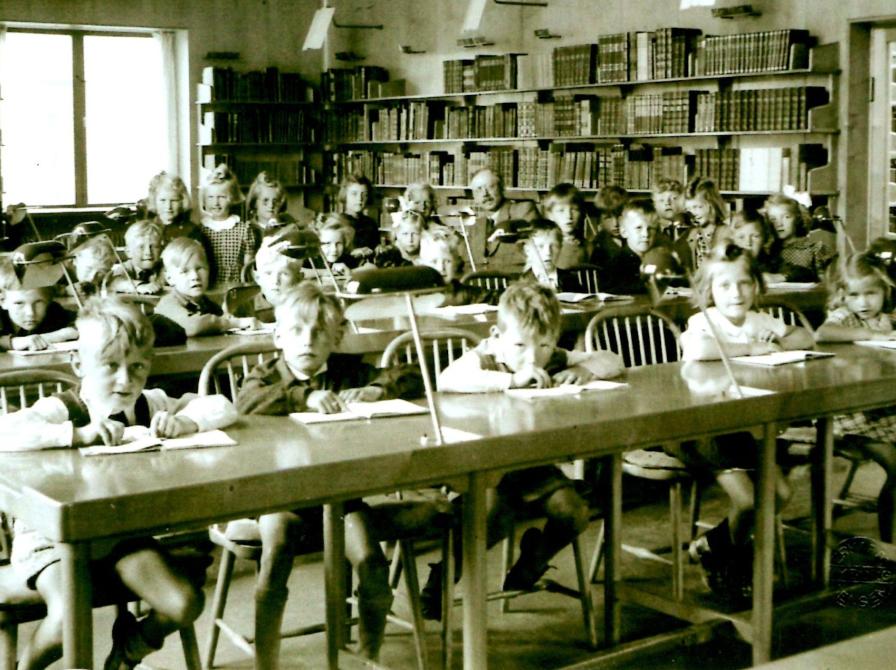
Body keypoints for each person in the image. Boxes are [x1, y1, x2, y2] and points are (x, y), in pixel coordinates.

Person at [0, 296, 237, 669]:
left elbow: (222, 406)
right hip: (51, 540)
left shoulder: (149, 403)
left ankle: (129, 650)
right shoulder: (66, 408)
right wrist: (77, 435)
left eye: (138, 366)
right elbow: (4, 431)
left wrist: (188, 421)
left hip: (120, 534)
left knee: (185, 602)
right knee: (66, 624)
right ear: (79, 364)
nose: (126, 380)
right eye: (110, 366)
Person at [237, 282, 424, 667]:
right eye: (297, 331)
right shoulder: (265, 375)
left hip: (340, 498)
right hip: (280, 497)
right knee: (276, 555)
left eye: (319, 333)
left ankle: (367, 654)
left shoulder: (347, 372)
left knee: (372, 562)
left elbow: (411, 376)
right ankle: (265, 661)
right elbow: (246, 401)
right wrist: (302, 397)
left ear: (335, 337)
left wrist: (374, 388)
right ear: (278, 335)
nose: (307, 341)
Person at [418, 282, 623, 620]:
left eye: (543, 345)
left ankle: (534, 560)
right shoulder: (485, 357)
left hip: (533, 468)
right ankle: (445, 573)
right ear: (497, 335)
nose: (533, 357)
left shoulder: (554, 357)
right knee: (491, 517)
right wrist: (511, 381)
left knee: (574, 511)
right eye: (519, 345)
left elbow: (611, 359)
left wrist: (582, 370)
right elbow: (448, 378)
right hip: (484, 469)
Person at [678, 243, 812, 602]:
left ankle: (715, 544)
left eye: (744, 283)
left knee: (780, 493)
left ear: (757, 286)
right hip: (704, 429)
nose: (736, 293)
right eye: (724, 286)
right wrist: (751, 349)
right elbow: (698, 350)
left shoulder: (760, 321)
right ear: (709, 292)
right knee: (753, 501)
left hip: (748, 425)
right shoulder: (704, 320)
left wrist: (781, 340)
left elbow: (805, 337)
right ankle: (728, 560)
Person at [816, 252, 896, 541]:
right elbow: (823, 333)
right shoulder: (844, 318)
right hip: (850, 418)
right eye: (854, 294)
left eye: (871, 293)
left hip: (883, 411)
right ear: (843, 295)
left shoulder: (887, 319)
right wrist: (873, 336)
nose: (863, 302)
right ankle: (890, 546)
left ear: (884, 291)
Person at [154, 238, 253, 336]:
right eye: (185, 271)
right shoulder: (168, 304)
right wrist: (235, 323)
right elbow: (194, 326)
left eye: (199, 268)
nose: (195, 276)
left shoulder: (209, 305)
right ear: (170, 278)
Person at [0, 251, 78, 352]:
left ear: (49, 300)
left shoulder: (53, 311)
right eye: (19, 303)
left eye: (39, 302)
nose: (30, 313)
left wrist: (52, 337)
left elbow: (82, 323)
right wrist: (14, 342)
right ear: (2, 301)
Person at [601, 199, 681, 295]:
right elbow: (612, 292)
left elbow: (676, 282)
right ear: (624, 232)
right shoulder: (617, 264)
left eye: (651, 228)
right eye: (639, 228)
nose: (646, 234)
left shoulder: (659, 259)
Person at [468, 168, 539, 272]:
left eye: (490, 187)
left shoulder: (523, 211)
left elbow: (538, 250)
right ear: (474, 197)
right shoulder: (475, 224)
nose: (485, 194)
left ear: (502, 188)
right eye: (479, 189)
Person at [200, 164, 256, 286]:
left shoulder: (243, 229)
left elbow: (248, 266)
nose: (215, 202)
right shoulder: (200, 229)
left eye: (221, 197)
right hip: (208, 286)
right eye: (210, 197)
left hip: (236, 285)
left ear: (232, 198)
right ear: (204, 199)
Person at [416, 227, 500, 306]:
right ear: (421, 264)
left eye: (447, 261)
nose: (441, 268)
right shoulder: (414, 297)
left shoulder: (468, 294)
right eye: (433, 262)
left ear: (455, 263)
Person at [764, 193, 834, 282]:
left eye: (786, 217)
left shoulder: (815, 249)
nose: (779, 224)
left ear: (797, 218)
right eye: (773, 219)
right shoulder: (767, 251)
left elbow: (827, 286)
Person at [519, 219, 594, 292]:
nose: (547, 252)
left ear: (560, 247)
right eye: (540, 246)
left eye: (554, 246)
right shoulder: (521, 285)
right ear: (527, 250)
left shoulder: (570, 280)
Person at [674, 177, 729, 273]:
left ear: (712, 204)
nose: (693, 213)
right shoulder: (687, 237)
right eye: (689, 209)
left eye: (697, 207)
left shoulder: (728, 234)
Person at [105, 220, 166, 295]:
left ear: (162, 249)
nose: (148, 252)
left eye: (154, 246)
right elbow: (115, 281)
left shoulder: (165, 268)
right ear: (128, 252)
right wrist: (139, 286)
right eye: (141, 247)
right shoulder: (125, 268)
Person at [146, 171, 204, 246]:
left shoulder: (191, 230)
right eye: (163, 200)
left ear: (182, 201)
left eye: (173, 200)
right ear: (154, 200)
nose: (168, 206)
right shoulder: (148, 228)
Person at [542, 183, 590, 269]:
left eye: (574, 210)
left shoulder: (588, 246)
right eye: (561, 211)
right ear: (550, 215)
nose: (569, 216)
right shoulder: (546, 245)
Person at [246, 171, 301, 245]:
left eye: (275, 201)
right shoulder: (248, 230)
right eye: (265, 200)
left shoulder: (288, 224)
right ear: (255, 203)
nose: (271, 205)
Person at [588, 184, 628, 270]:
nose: (616, 224)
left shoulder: (632, 239)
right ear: (599, 221)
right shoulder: (597, 246)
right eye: (608, 218)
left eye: (620, 216)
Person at [311, 212, 360, 279]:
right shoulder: (310, 258)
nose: (334, 249)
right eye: (327, 243)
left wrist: (350, 271)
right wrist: (329, 272)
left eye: (339, 243)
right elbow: (297, 271)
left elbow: (371, 267)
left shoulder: (347, 259)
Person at [339, 175, 380, 252]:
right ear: (345, 196)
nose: (359, 199)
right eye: (354, 194)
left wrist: (379, 249)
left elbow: (374, 248)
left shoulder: (371, 223)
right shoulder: (337, 222)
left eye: (364, 195)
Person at [67, 234, 115, 299]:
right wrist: (65, 290)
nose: (92, 279)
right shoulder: (56, 274)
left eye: (100, 273)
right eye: (88, 270)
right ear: (75, 260)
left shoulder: (110, 279)